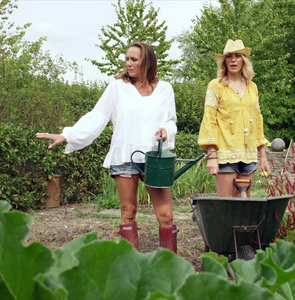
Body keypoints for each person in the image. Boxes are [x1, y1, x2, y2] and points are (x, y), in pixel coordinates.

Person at [36, 42, 178, 253]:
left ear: (147, 62)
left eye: (134, 60)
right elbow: (97, 117)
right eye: (127, 59)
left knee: (166, 216)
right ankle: (129, 266)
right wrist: (67, 134)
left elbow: (171, 120)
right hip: (124, 155)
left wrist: (167, 130)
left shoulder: (165, 89)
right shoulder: (116, 88)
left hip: (154, 158)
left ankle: (170, 265)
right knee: (128, 211)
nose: (128, 64)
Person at [198, 39, 271, 197]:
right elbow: (209, 120)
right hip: (225, 155)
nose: (233, 60)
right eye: (229, 56)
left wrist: (263, 156)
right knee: (227, 206)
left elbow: (258, 121)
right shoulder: (216, 86)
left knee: (243, 209)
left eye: (237, 56)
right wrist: (212, 155)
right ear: (224, 60)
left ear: (243, 60)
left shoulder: (252, 87)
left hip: (249, 155)